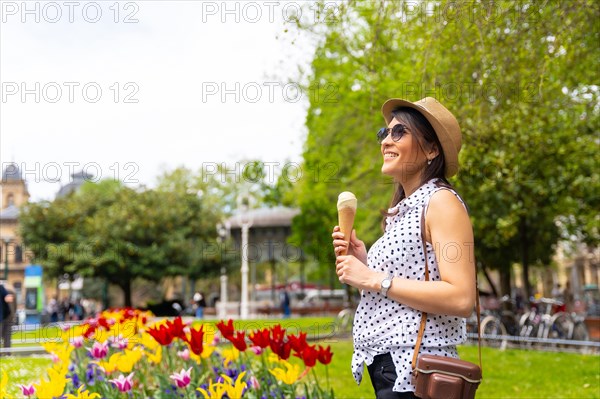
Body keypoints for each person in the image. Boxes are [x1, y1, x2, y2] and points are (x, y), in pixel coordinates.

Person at [332, 97, 476, 398]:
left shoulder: (441, 202)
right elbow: (398, 295)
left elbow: (462, 297)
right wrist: (364, 265)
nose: (386, 141)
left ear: (432, 149)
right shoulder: (404, 211)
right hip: (391, 367)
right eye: (384, 133)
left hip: (416, 371)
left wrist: (374, 278)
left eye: (399, 132)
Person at [0, 282, 16, 352]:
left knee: (6, 337)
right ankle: (7, 353)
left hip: (6, 317)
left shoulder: (2, 288)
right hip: (6, 317)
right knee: (6, 337)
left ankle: (7, 353)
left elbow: (9, 299)